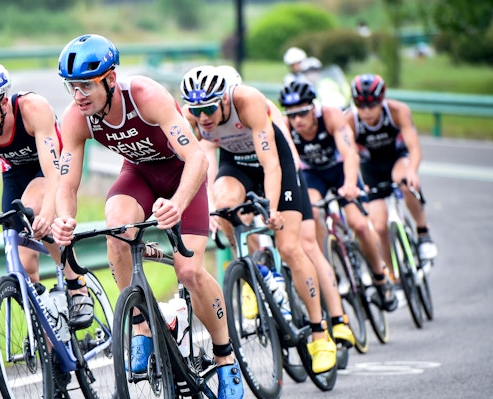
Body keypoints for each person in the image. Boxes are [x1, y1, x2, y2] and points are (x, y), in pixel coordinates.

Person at [51, 35, 244, 399]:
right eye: (72, 87)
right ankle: (141, 325)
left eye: (86, 85)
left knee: (189, 271)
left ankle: (225, 358)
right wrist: (64, 219)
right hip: (139, 175)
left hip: (182, 176)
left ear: (110, 79)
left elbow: (197, 159)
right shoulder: (76, 118)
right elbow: (66, 182)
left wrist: (178, 203)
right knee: (117, 228)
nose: (78, 95)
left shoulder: (144, 95)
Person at [180, 64, 338, 374]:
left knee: (291, 247)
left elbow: (271, 164)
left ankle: (320, 334)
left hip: (273, 163)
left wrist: (273, 208)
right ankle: (256, 271)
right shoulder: (192, 117)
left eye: (210, 108)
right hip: (236, 163)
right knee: (223, 206)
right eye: (197, 110)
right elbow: (202, 163)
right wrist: (208, 206)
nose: (204, 117)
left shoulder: (248, 101)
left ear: (225, 99)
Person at [0, 62, 95, 379]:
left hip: (51, 168)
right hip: (14, 175)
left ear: (3, 102)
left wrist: (46, 214)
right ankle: (54, 357)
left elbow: (55, 172)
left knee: (35, 208)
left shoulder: (32, 109)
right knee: (25, 267)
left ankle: (76, 283)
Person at [279, 80, 398, 312]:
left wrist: (351, 185)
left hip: (341, 171)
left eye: (303, 113)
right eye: (292, 115)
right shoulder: (286, 127)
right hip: (313, 175)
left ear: (314, 108)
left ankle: (380, 277)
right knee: (312, 211)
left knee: (360, 224)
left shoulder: (332, 116)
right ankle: (329, 265)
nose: (298, 121)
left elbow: (350, 154)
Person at [346, 74, 438, 273]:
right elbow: (350, 156)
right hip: (371, 169)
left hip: (397, 159)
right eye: (360, 105)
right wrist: (355, 184)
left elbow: (414, 148)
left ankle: (423, 233)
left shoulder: (398, 111)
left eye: (372, 105)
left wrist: (412, 171)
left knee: (405, 182)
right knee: (379, 228)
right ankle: (395, 277)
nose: (366, 111)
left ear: (382, 100)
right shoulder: (350, 121)